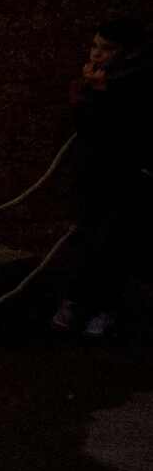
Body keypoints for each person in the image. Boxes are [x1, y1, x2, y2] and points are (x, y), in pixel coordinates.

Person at [52, 18, 151, 339]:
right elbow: (87, 128)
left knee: (113, 243)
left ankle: (104, 309)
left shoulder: (133, 82)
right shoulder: (100, 84)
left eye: (106, 49)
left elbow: (125, 126)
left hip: (123, 174)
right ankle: (75, 303)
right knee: (85, 237)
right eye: (95, 46)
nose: (97, 54)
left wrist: (101, 92)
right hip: (93, 173)